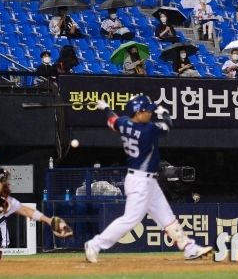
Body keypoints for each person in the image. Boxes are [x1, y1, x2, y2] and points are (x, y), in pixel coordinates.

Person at [84, 97, 211, 263]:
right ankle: (95, 244)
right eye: (147, 110)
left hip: (148, 181)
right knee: (129, 220)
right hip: (140, 182)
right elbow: (168, 125)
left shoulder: (123, 123)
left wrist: (106, 108)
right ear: (137, 113)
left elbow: (112, 119)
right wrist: (164, 112)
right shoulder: (147, 130)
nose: (150, 113)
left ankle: (189, 248)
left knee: (167, 218)